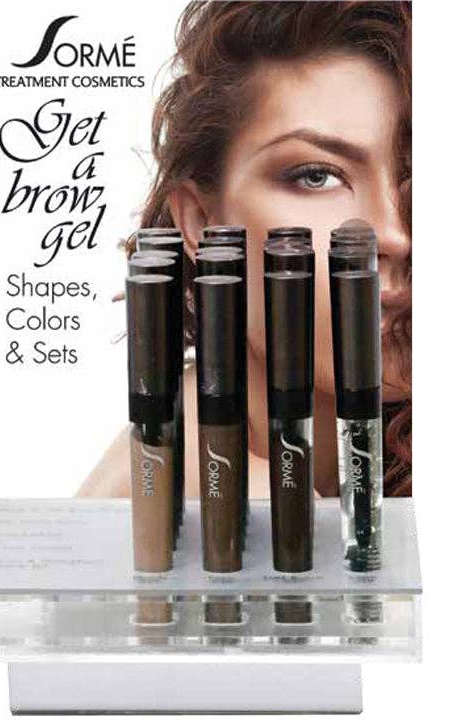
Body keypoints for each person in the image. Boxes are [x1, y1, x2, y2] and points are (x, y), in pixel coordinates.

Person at [80, 0, 411, 499]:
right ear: (202, 223)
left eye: (414, 176)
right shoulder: (214, 498)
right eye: (316, 176)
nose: (394, 234)